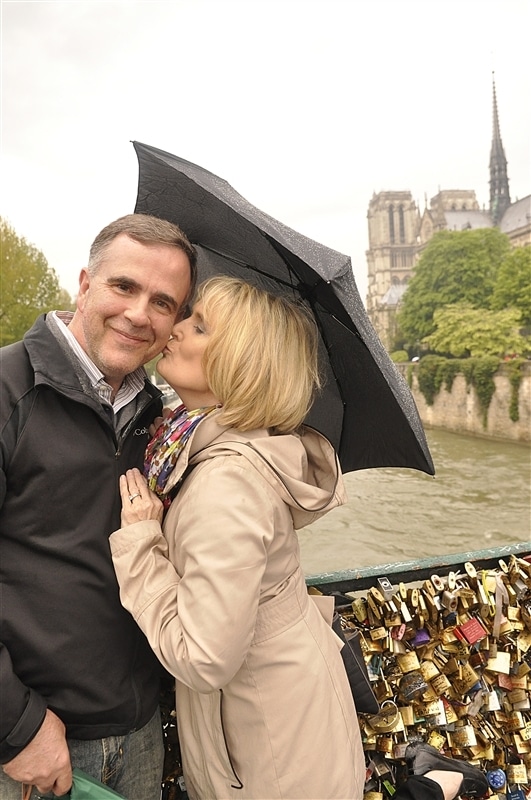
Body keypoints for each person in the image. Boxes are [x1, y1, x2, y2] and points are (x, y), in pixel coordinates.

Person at [110, 276, 489, 800]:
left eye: (198, 326)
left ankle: (437, 783)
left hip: (266, 739)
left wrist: (141, 546)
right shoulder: (224, 447)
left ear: (240, 362)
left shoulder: (225, 483)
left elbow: (204, 658)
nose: (174, 329)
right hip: (279, 706)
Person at [0, 213, 197, 800]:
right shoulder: (9, 392)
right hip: (38, 744)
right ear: (85, 284)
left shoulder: (157, 417)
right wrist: (17, 726)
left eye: (164, 302)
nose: (140, 314)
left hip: (140, 732)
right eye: (124, 287)